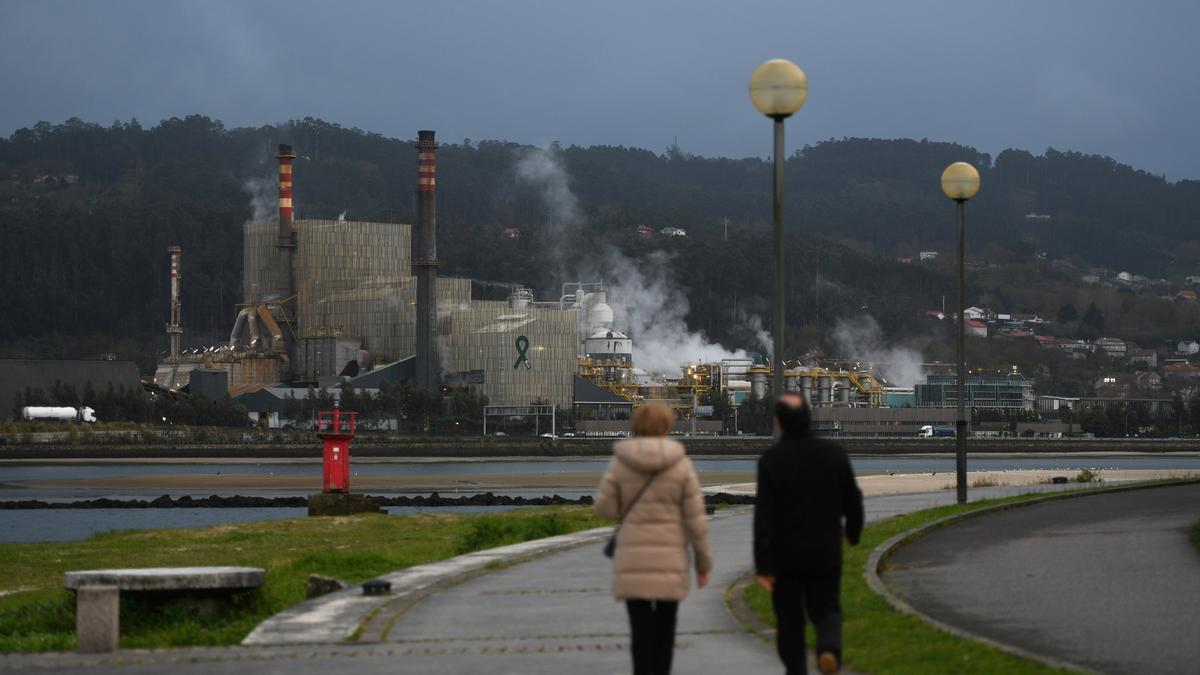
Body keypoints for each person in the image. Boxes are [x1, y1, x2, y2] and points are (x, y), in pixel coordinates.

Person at [596, 404, 714, 675]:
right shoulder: (681, 464)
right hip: (670, 559)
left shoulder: (620, 462)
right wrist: (703, 562)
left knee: (640, 631)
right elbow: (695, 520)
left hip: (633, 560)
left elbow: (604, 508)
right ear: (666, 426)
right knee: (665, 629)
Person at [754, 392, 864, 675]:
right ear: (809, 418)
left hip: (785, 554)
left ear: (778, 422)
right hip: (825, 549)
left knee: (789, 620)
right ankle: (828, 649)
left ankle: (796, 669)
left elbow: (763, 517)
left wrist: (763, 565)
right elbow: (853, 499)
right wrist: (853, 532)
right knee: (827, 609)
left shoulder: (771, 460)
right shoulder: (833, 453)